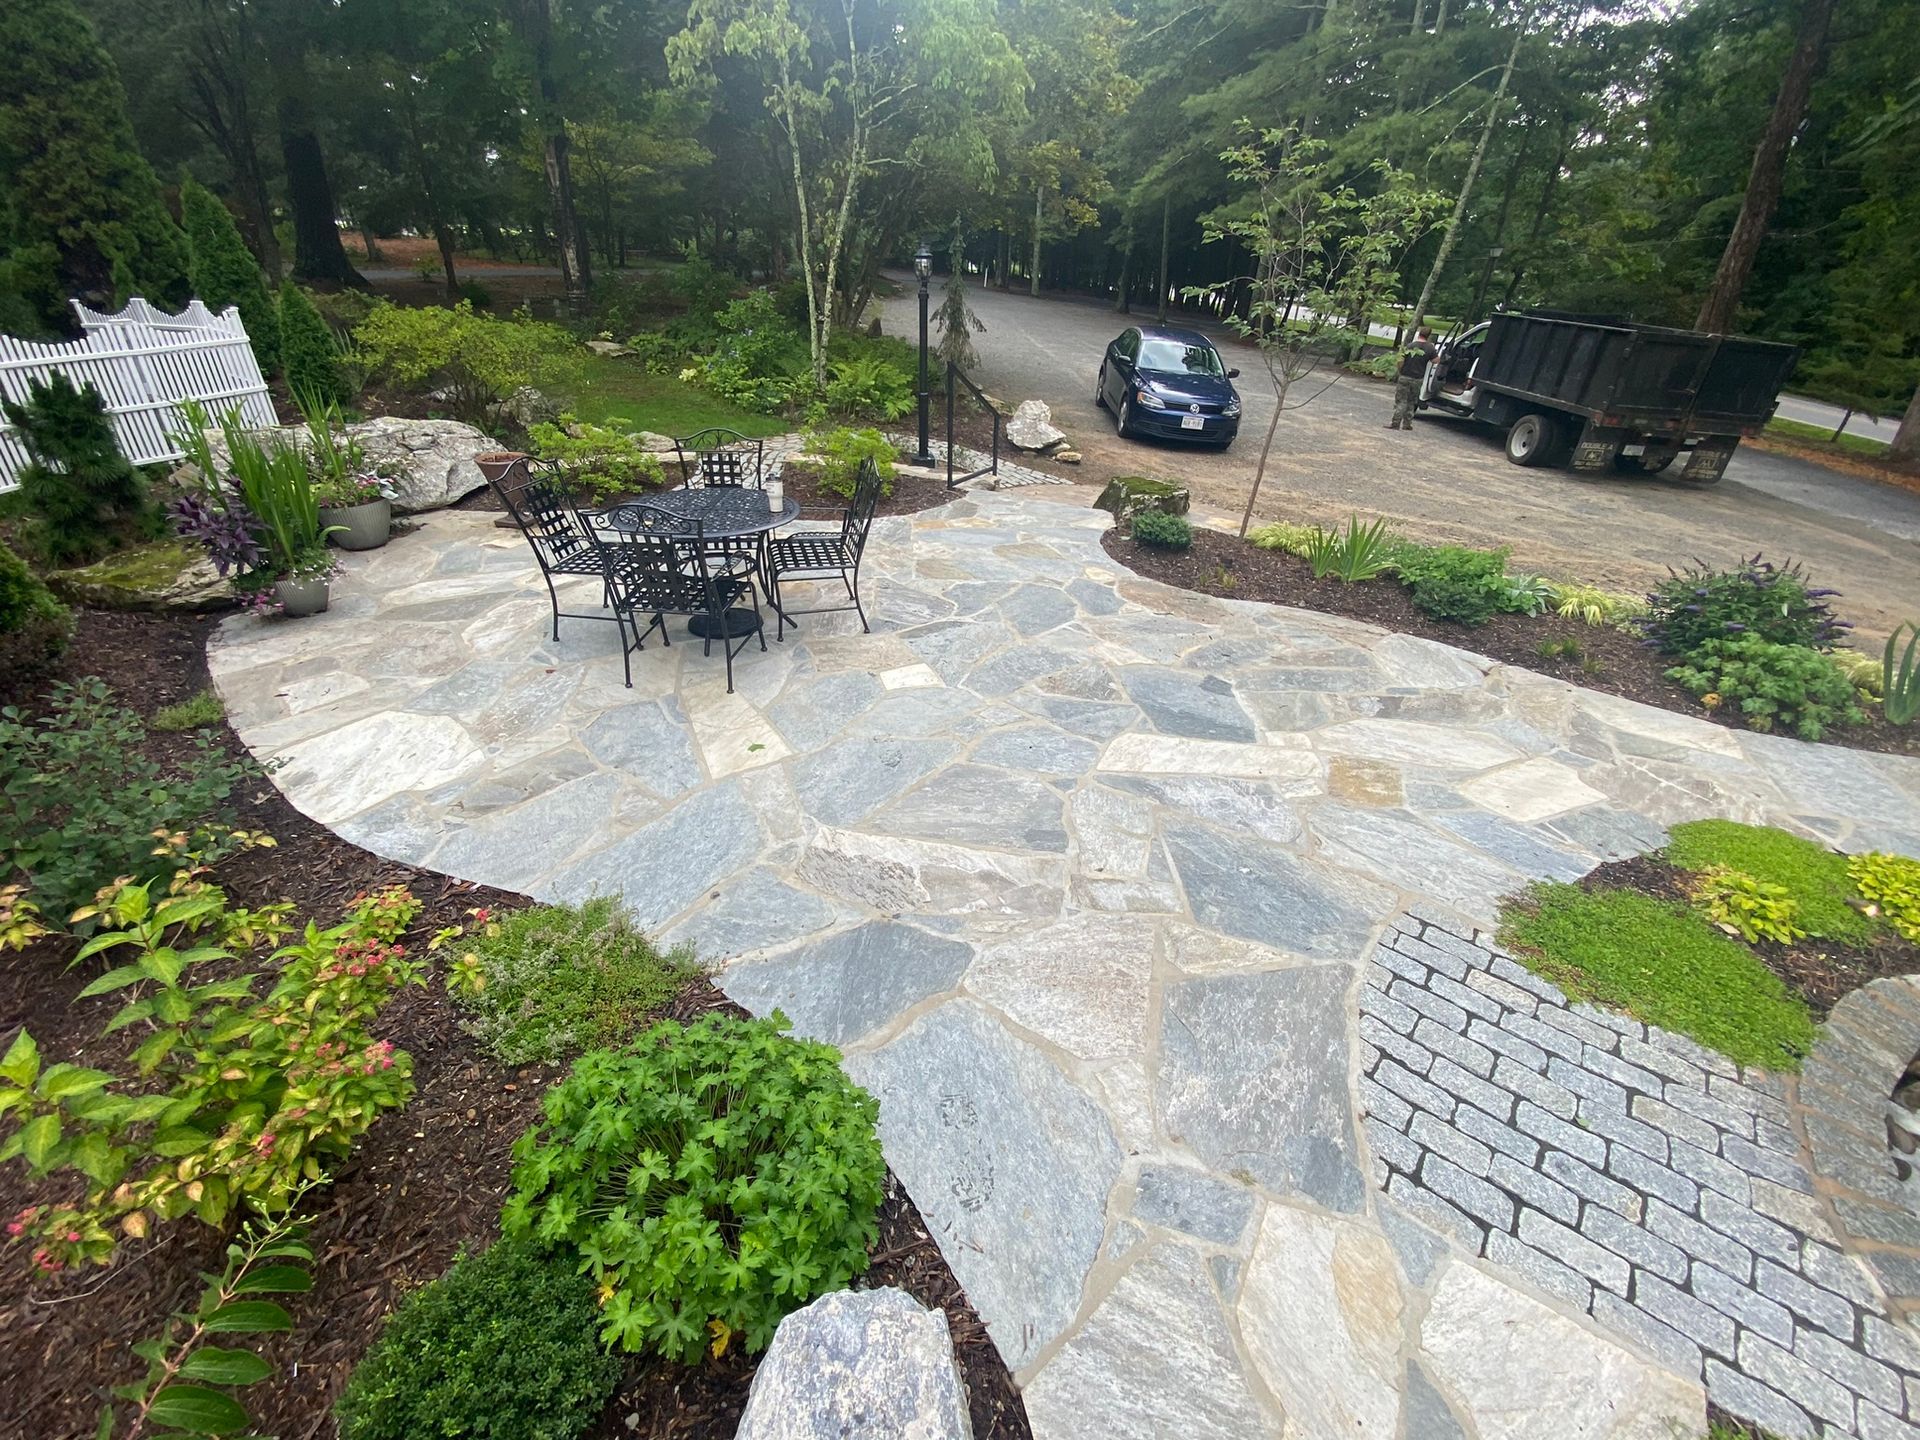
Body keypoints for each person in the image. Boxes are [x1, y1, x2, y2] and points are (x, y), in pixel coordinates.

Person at [1389, 327, 1438, 430]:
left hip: (1405, 376)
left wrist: (1400, 371)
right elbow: (1436, 361)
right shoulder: (1430, 348)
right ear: (1429, 336)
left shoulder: (1410, 346)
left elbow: (1400, 360)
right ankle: (1407, 424)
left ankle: (1395, 422)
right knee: (1412, 401)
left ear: (1419, 334)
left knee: (1401, 400)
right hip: (1418, 378)